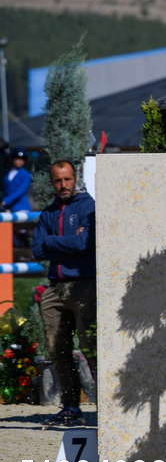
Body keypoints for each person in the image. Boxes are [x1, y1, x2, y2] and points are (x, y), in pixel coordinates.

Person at [32, 160, 96, 426]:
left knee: (92, 347)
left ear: (75, 178)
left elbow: (84, 243)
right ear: (52, 182)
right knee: (57, 349)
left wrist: (51, 241)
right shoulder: (48, 212)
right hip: (55, 288)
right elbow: (37, 249)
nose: (63, 185)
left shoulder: (87, 206)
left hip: (84, 286)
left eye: (67, 179)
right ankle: (70, 406)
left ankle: (107, 405)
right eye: (58, 181)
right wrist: (63, 242)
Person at [1, 148, 33, 212]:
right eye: (17, 159)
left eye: (22, 160)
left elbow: (20, 191)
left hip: (21, 208)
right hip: (8, 208)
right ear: (12, 159)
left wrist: (5, 201)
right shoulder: (7, 173)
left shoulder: (26, 175)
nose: (20, 161)